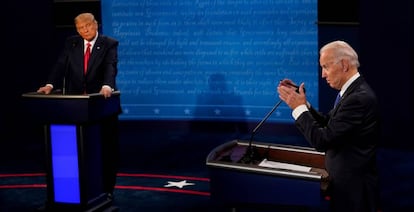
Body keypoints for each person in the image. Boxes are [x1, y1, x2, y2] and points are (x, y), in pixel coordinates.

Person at [277, 40, 381, 212]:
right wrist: (304, 105)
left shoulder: (358, 98)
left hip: (355, 192)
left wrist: (299, 108)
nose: (323, 74)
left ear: (345, 64)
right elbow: (329, 124)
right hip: (346, 186)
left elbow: (322, 140)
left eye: (326, 67)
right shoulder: (351, 91)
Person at [37, 13, 121, 199]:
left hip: (101, 105)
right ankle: (80, 190)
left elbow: (110, 66)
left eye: (88, 26)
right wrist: (50, 84)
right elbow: (60, 65)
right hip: (75, 107)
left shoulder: (109, 43)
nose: (85, 30)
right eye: (80, 28)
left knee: (106, 150)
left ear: (96, 25)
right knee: (79, 151)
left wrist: (107, 85)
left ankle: (107, 190)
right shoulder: (72, 43)